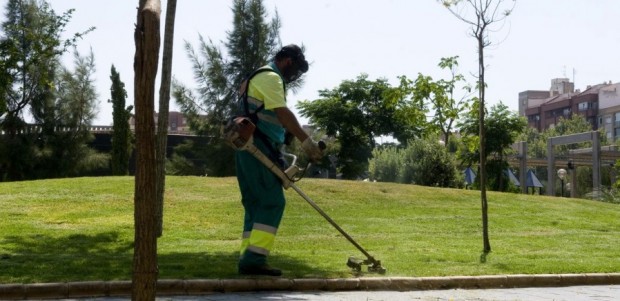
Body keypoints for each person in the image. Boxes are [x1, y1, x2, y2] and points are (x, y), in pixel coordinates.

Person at [235, 44, 323, 276]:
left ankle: (247, 257)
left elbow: (266, 114)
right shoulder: (271, 77)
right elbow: (283, 114)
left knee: (254, 204)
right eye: (295, 70)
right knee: (273, 202)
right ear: (286, 60)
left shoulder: (254, 77)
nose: (294, 76)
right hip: (258, 147)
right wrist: (307, 142)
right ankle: (254, 259)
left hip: (246, 146)